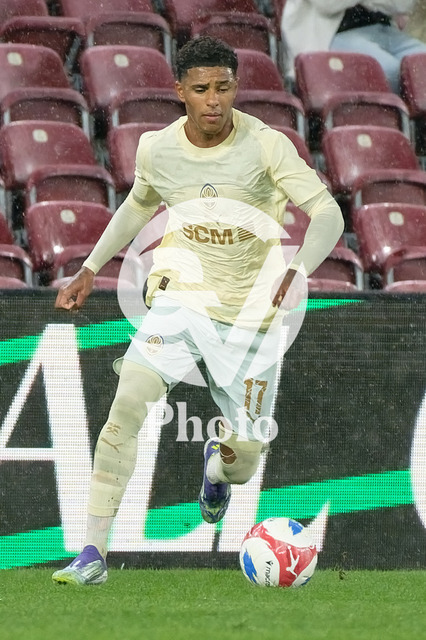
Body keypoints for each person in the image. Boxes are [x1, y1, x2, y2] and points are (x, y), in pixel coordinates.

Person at [52, 36, 344, 586]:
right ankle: (92, 553)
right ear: (180, 90)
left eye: (224, 88)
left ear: (237, 88)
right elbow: (139, 203)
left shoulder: (267, 147)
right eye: (203, 89)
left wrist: (299, 267)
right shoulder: (157, 149)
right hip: (180, 297)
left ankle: (216, 466)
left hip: (253, 319)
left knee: (244, 459)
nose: (214, 99)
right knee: (127, 405)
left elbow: (327, 213)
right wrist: (91, 267)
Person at [281, 1, 426, 92]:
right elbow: (327, 4)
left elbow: (403, 4)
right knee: (389, 70)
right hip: (335, 35)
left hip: (385, 31)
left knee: (421, 66)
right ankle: (402, 127)